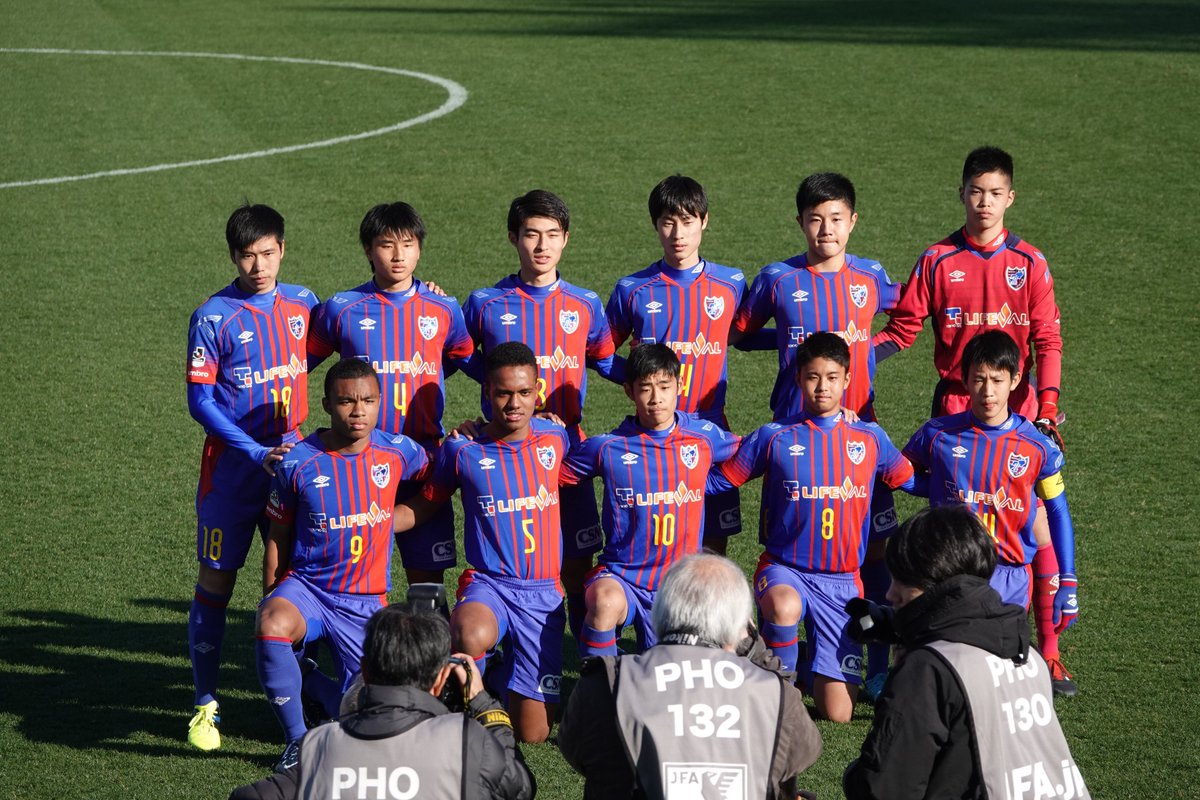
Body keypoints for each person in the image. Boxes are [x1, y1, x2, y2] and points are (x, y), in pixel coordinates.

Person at [872, 146, 1069, 687]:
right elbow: (902, 329)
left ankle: (1048, 651)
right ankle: (936, 644)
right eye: (976, 192)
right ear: (961, 194)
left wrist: (1048, 410)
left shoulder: (1029, 263)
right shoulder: (938, 260)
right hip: (956, 408)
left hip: (1021, 413)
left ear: (1010, 197)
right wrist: (851, 365)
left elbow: (1048, 340)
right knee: (952, 528)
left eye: (995, 193)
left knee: (1033, 527)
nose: (985, 202)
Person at [731, 173, 904, 688]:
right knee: (792, 540)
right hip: (794, 438)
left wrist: (867, 354)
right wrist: (791, 341)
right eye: (815, 219)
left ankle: (875, 667)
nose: (825, 229)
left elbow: (907, 321)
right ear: (800, 222)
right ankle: (785, 648)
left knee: (875, 546)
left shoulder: (871, 276)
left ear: (853, 222)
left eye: (835, 219)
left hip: (858, 435)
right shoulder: (777, 278)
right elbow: (740, 333)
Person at [708, 333, 920, 722]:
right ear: (798, 378)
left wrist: (969, 485)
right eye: (812, 377)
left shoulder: (870, 438)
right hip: (784, 569)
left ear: (847, 379)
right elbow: (723, 480)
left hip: (842, 582)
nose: (822, 387)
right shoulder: (774, 436)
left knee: (838, 713)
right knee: (784, 608)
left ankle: (797, 657)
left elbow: (910, 480)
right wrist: (668, 479)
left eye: (832, 377)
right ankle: (779, 692)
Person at [184, 203, 319, 751]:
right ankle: (204, 704)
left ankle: (297, 697)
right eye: (247, 256)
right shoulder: (212, 316)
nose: (258, 266)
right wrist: (255, 450)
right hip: (233, 474)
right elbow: (199, 400)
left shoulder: (306, 304)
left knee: (291, 584)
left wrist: (421, 290)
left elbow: (353, 335)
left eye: (267, 253)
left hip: (292, 470)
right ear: (232, 257)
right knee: (216, 581)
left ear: (283, 249)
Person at [843, 506, 1089, 800]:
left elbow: (882, 790)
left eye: (902, 581)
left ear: (933, 585)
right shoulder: (1028, 652)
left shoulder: (930, 670)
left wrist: (904, 675)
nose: (889, 594)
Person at [256, 358, 431, 768]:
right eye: (346, 401)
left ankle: (312, 682)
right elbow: (277, 536)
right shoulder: (297, 462)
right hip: (309, 589)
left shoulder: (399, 451)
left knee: (373, 730)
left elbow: (438, 482)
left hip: (366, 601)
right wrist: (270, 597)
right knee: (271, 625)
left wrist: (392, 520)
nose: (358, 411)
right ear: (326, 405)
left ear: (380, 401)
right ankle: (298, 741)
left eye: (368, 401)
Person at [394, 341, 571, 743]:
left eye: (524, 392)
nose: (514, 403)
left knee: (533, 733)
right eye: (504, 393)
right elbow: (426, 504)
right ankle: (465, 682)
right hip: (490, 585)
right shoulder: (462, 448)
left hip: (543, 594)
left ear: (538, 391)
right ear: (487, 391)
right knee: (469, 633)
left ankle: (497, 673)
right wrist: (373, 522)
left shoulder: (556, 438)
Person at [463, 189, 619, 640]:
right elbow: (457, 353)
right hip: (505, 452)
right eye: (531, 234)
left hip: (567, 454)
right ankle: (502, 643)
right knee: (512, 556)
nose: (542, 245)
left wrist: (661, 382)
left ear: (566, 238)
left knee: (577, 559)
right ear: (513, 237)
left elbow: (606, 361)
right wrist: (495, 403)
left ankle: (582, 651)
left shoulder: (585, 303)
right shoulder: (486, 302)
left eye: (552, 234)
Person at [559, 553, 823, 800]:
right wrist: (756, 650)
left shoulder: (606, 682)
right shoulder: (775, 694)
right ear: (738, 625)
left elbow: (577, 751)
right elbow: (802, 751)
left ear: (660, 611)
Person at [902, 330, 1080, 695]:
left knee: (1000, 684)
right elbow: (902, 473)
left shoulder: (1037, 448)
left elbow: (1058, 511)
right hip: (951, 573)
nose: (988, 391)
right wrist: (934, 488)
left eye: (997, 380)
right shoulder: (937, 434)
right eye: (979, 379)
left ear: (1015, 381)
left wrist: (1068, 580)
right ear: (965, 380)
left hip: (1009, 579)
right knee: (951, 674)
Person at [309, 202, 476, 585]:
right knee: (352, 579)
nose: (399, 255)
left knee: (428, 587)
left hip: (424, 463)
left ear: (420, 249)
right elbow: (297, 364)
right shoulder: (341, 308)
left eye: (408, 244)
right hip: (356, 464)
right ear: (368, 250)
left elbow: (468, 362)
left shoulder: (443, 308)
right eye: (387, 245)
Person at [229, 604, 535, 800]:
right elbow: (520, 787)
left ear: (364, 671)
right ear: (440, 679)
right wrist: (484, 705)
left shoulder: (320, 745)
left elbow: (247, 797)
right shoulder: (465, 742)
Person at [561, 343, 739, 657]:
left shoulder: (704, 437)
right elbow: (551, 474)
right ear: (629, 391)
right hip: (622, 577)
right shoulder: (606, 447)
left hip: (679, 585)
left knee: (674, 678)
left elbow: (755, 452)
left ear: (679, 385)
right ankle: (600, 684)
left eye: (664, 387)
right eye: (645, 388)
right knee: (604, 603)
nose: (656, 398)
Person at [605, 175, 748, 554]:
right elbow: (600, 352)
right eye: (668, 222)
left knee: (712, 552)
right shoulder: (632, 289)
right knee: (653, 543)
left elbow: (743, 336)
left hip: (712, 432)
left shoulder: (731, 283)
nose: (678, 234)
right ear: (655, 225)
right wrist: (638, 384)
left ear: (704, 221)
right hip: (651, 435)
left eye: (687, 221)